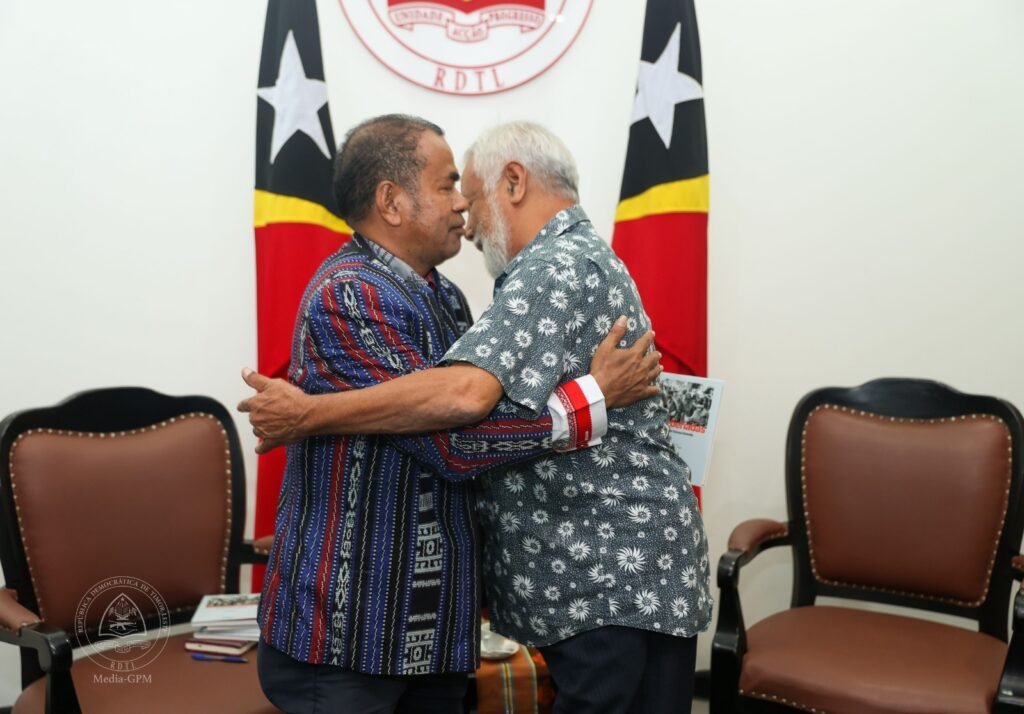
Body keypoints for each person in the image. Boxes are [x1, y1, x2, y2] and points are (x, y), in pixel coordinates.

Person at [241, 121, 711, 713]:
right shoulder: (351, 294)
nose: (462, 204)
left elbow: (471, 412)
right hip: (352, 630)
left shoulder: (453, 295)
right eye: (446, 186)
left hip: (433, 631)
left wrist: (311, 413)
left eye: (463, 186)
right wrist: (590, 399)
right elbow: (453, 441)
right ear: (391, 202)